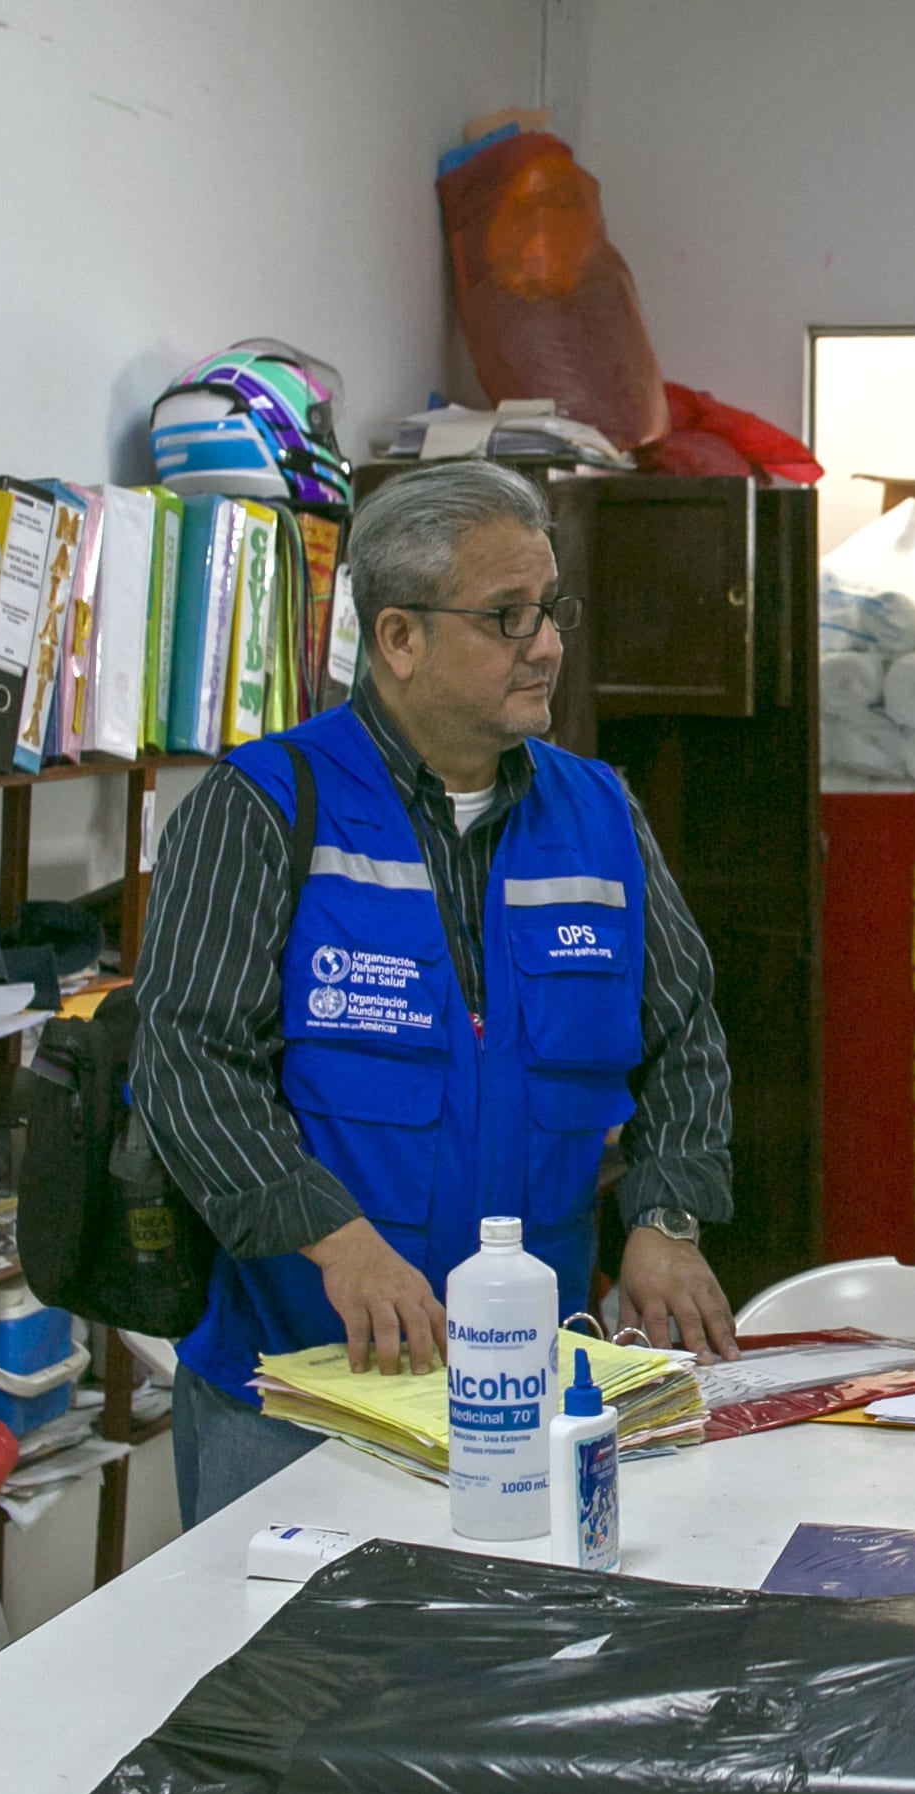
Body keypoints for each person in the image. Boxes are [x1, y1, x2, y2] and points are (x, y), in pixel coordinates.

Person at [133, 460, 742, 1528]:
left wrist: (668, 1215)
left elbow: (683, 1032)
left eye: (551, 608)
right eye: (507, 617)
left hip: (528, 1384)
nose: (547, 643)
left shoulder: (598, 811)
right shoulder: (265, 805)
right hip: (294, 1391)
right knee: (287, 1684)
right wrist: (336, 1238)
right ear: (398, 639)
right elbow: (186, 1061)